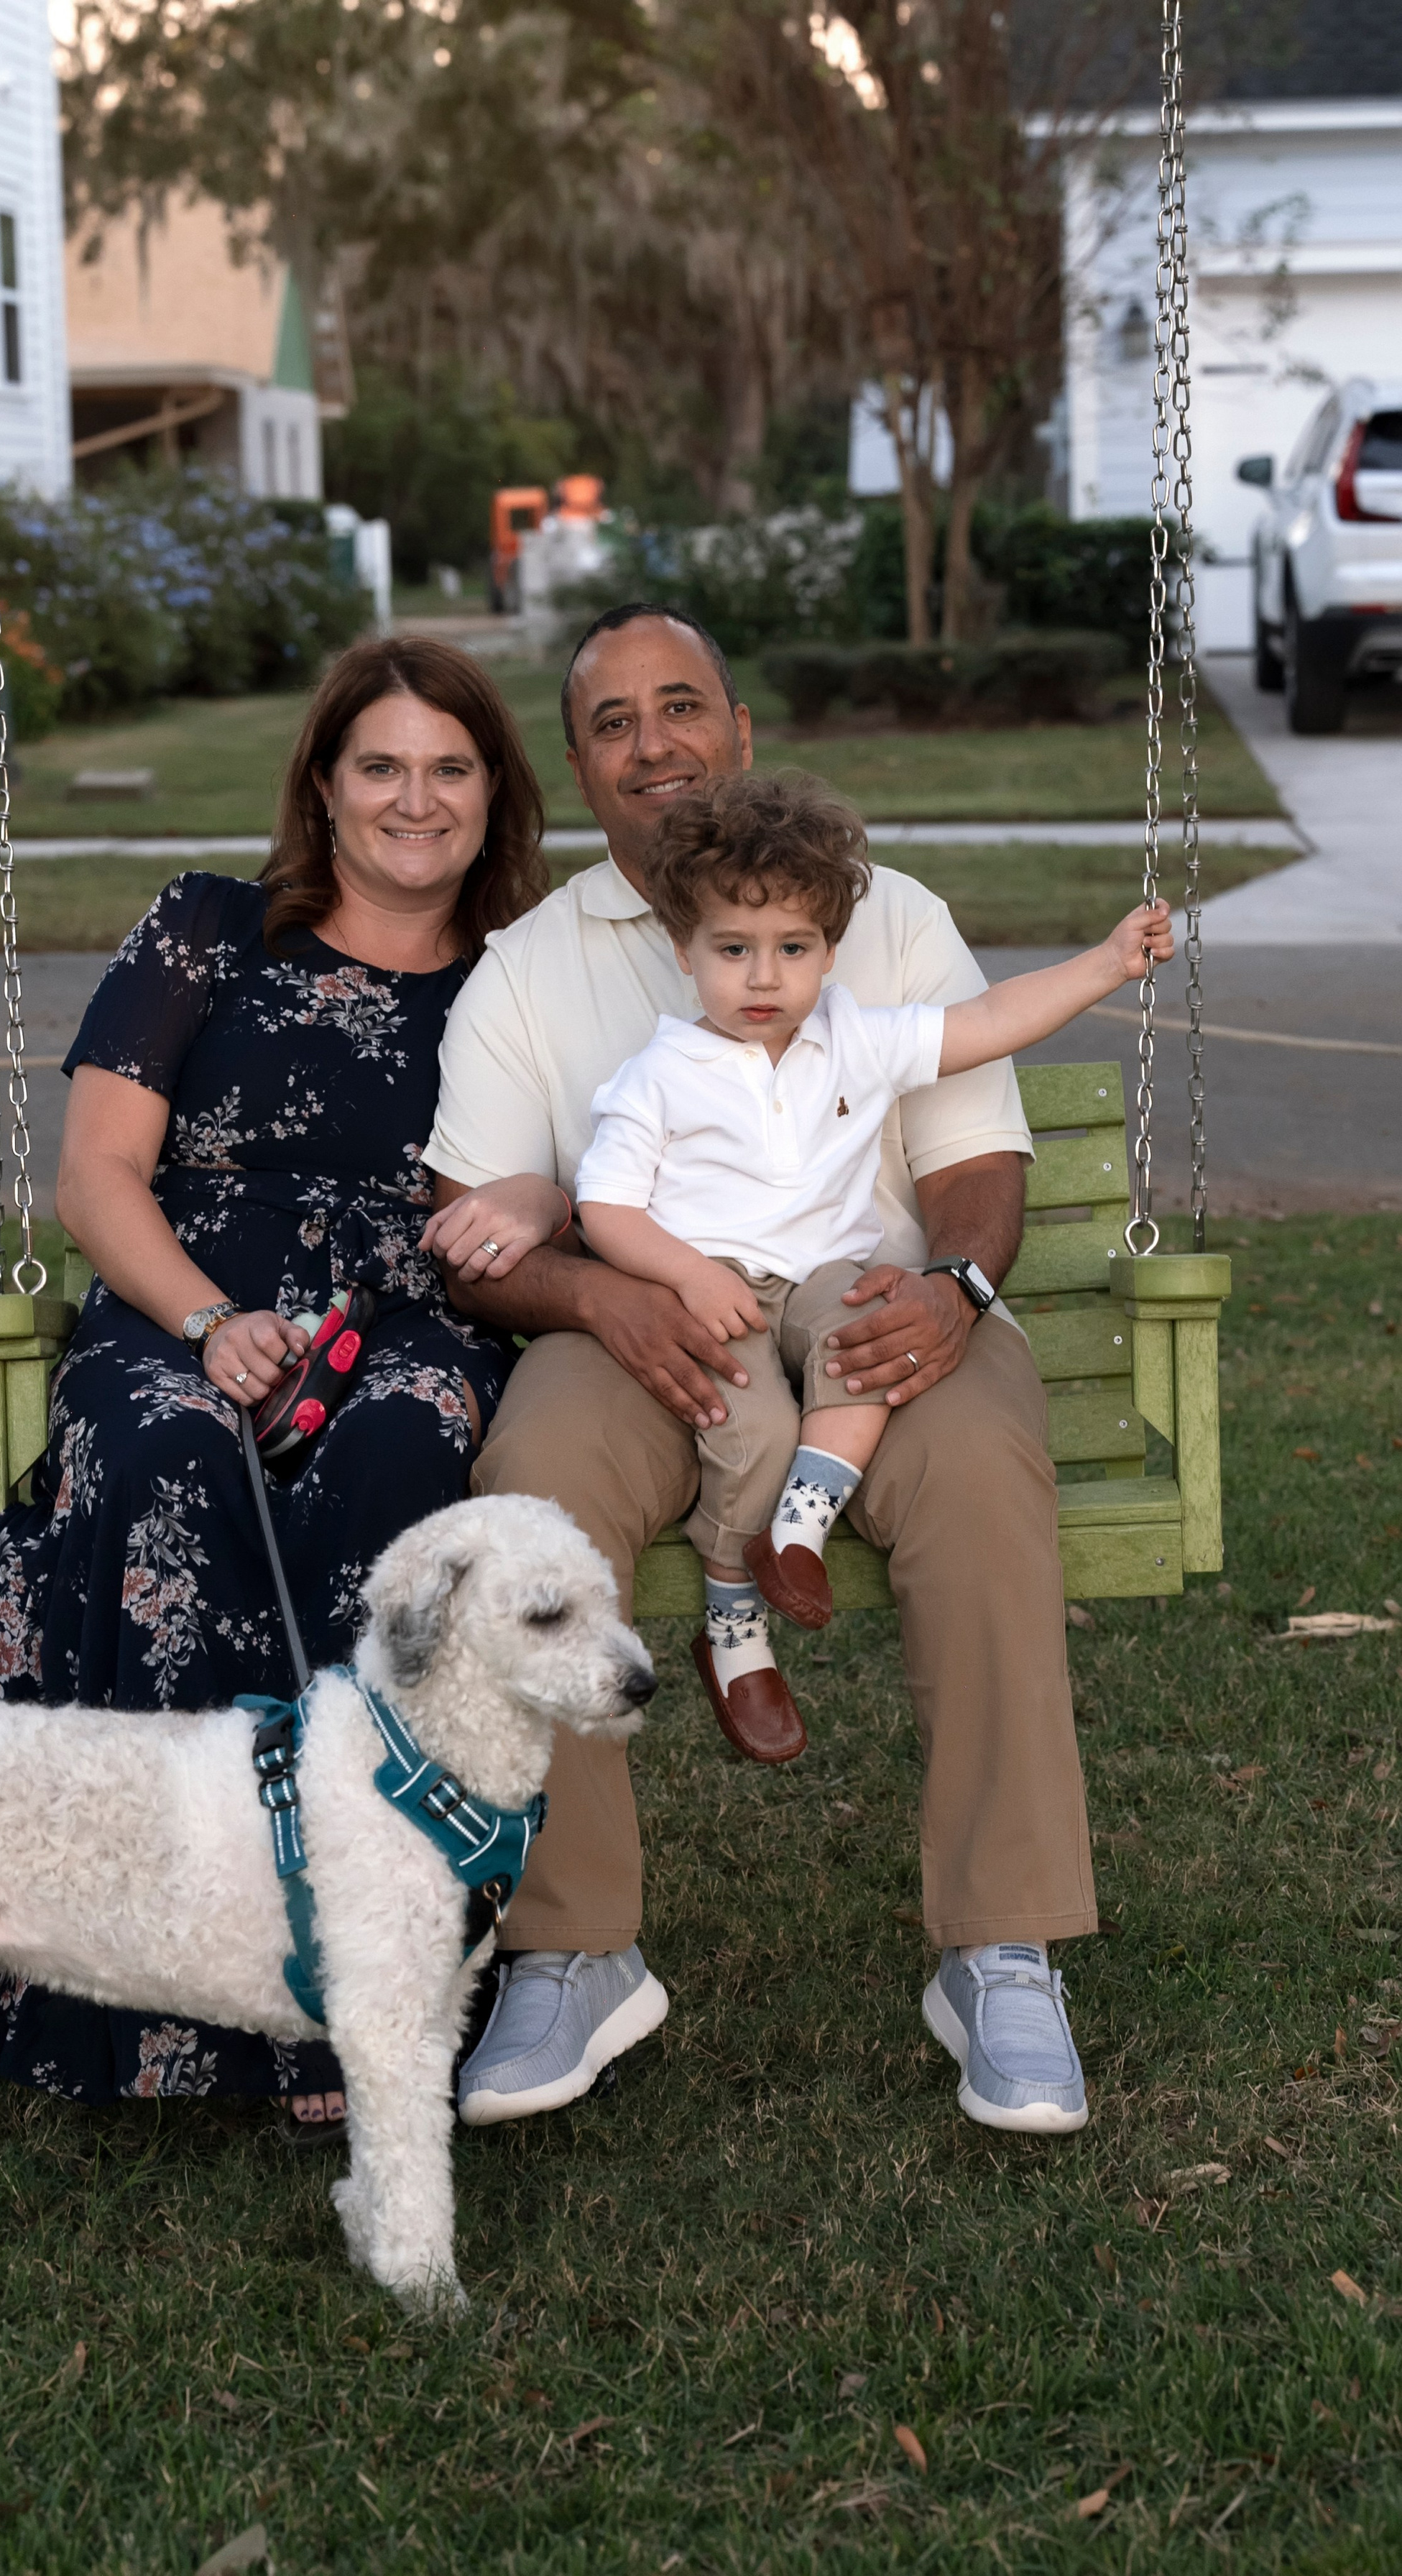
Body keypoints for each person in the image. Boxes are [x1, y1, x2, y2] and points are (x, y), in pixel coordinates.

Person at [423, 602, 1103, 2140]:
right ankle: (574, 1948)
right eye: (612, 721)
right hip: (638, 1331)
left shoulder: (885, 915)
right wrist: (604, 1301)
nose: (652, 741)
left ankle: (997, 1946)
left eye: (681, 707)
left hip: (879, 1318)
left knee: (981, 1475)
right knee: (532, 1494)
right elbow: (482, 1226)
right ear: (581, 766)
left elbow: (977, 1152)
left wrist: (956, 1287)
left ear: (739, 735)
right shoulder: (529, 967)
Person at [0, 635, 561, 2137]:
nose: (413, 800)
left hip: (408, 1320)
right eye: (380, 767)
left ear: (493, 793)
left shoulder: (527, 974)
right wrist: (210, 1315)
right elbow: (97, 1178)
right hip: (181, 1301)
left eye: (449, 767)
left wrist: (536, 1202)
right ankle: (166, 1985)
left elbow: (603, 1160)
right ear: (324, 784)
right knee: (170, 1465)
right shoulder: (209, 928)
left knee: (399, 1475)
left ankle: (365, 1993)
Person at [573, 766, 1173, 1734]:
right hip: (712, 1294)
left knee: (869, 1340)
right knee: (757, 1431)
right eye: (733, 949)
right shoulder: (661, 1076)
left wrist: (1106, 964)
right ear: (684, 951)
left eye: (792, 948)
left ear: (829, 951)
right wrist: (685, 1274)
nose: (763, 977)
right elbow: (604, 1208)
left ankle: (797, 1536)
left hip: (821, 1279)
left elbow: (985, 1023)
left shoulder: (851, 1038)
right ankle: (733, 1621)